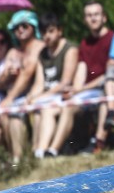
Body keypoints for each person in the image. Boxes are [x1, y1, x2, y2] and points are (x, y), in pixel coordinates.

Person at [27, 13, 78, 158]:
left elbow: (66, 82)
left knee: (46, 111)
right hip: (49, 98)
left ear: (59, 31)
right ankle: (37, 151)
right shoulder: (42, 54)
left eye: (51, 31)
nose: (47, 36)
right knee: (37, 109)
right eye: (43, 32)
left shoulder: (70, 49)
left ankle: (46, 150)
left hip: (65, 97)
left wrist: (42, 97)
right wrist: (31, 97)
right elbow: (39, 83)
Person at [0, 10, 45, 162]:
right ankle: (15, 156)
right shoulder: (13, 51)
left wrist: (10, 98)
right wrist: (8, 74)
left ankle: (20, 158)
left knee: (12, 113)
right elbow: (1, 81)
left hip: (35, 94)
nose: (20, 30)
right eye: (16, 27)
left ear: (33, 27)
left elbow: (28, 73)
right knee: (3, 117)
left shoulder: (38, 46)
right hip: (16, 97)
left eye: (24, 26)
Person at [72, 1, 114, 154]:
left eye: (96, 14)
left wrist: (81, 89)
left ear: (104, 18)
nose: (93, 18)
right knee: (67, 106)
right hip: (88, 91)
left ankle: (98, 142)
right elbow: (81, 69)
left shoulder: (113, 39)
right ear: (85, 20)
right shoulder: (84, 43)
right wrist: (75, 90)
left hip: (106, 87)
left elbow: (109, 74)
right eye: (89, 15)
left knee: (105, 97)